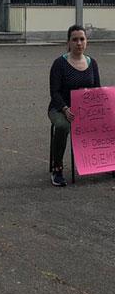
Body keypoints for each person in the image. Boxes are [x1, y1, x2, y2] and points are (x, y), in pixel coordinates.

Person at [48, 24, 100, 187]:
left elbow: (96, 90)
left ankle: (107, 162)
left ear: (86, 42)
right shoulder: (59, 64)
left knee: (108, 122)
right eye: (75, 39)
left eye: (82, 39)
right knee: (62, 126)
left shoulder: (92, 63)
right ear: (68, 42)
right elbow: (54, 92)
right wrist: (65, 109)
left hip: (85, 110)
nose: (79, 43)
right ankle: (57, 169)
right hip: (60, 108)